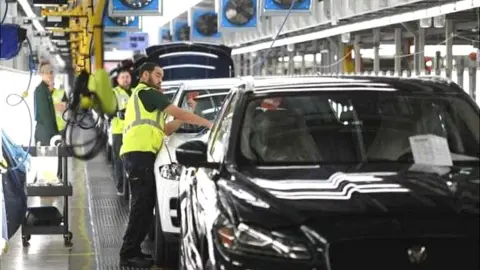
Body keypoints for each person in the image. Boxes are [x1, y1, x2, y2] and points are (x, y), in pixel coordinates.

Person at [119, 62, 212, 268]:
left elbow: (167, 129)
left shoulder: (146, 99)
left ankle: (134, 251)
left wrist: (188, 111)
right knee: (141, 206)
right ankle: (127, 253)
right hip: (138, 154)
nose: (161, 79)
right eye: (158, 75)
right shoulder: (146, 93)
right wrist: (209, 124)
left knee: (145, 205)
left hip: (141, 154)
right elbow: (179, 113)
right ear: (145, 75)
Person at [111, 68, 132, 195]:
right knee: (119, 160)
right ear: (118, 80)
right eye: (122, 77)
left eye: (127, 76)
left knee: (131, 160)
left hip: (133, 131)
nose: (125, 79)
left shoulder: (135, 91)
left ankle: (129, 186)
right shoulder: (114, 93)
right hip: (119, 131)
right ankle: (120, 186)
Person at [34, 61, 58, 146]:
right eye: (46, 73)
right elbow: (46, 116)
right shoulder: (40, 90)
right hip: (44, 132)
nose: (49, 75)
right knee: (47, 157)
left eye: (51, 72)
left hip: (50, 131)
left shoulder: (50, 90)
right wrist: (54, 135)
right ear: (41, 74)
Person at [48, 80, 67, 180]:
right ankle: (49, 176)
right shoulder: (42, 94)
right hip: (47, 128)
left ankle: (59, 176)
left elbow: (63, 107)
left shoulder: (61, 93)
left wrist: (48, 106)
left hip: (59, 128)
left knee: (59, 153)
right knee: (48, 152)